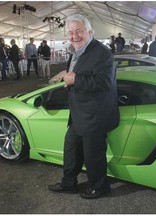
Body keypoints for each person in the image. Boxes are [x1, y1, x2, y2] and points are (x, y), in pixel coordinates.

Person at [48, 14, 120, 199]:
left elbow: (104, 82)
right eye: (71, 32)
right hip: (79, 114)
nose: (74, 36)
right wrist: (70, 79)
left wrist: (76, 79)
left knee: (93, 155)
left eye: (79, 31)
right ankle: (69, 184)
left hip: (94, 116)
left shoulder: (102, 53)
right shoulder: (76, 51)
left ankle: (100, 186)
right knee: (71, 150)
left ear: (90, 32)